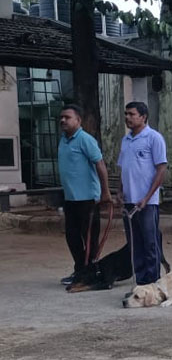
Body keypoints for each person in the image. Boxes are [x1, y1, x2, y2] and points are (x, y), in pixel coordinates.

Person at [57, 104, 112, 285]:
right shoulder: (63, 140)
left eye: (67, 117)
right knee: (72, 237)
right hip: (70, 198)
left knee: (89, 239)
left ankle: (89, 273)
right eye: (61, 117)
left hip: (87, 199)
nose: (63, 120)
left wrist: (105, 192)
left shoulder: (85, 140)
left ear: (78, 120)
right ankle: (80, 270)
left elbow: (100, 165)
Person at [117, 101, 168, 285]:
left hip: (147, 202)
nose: (127, 117)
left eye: (132, 114)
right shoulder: (126, 140)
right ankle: (141, 283)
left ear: (143, 117)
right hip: (129, 201)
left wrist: (147, 197)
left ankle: (153, 283)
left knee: (150, 243)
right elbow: (123, 168)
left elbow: (161, 169)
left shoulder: (154, 138)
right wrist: (120, 191)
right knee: (135, 243)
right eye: (126, 114)